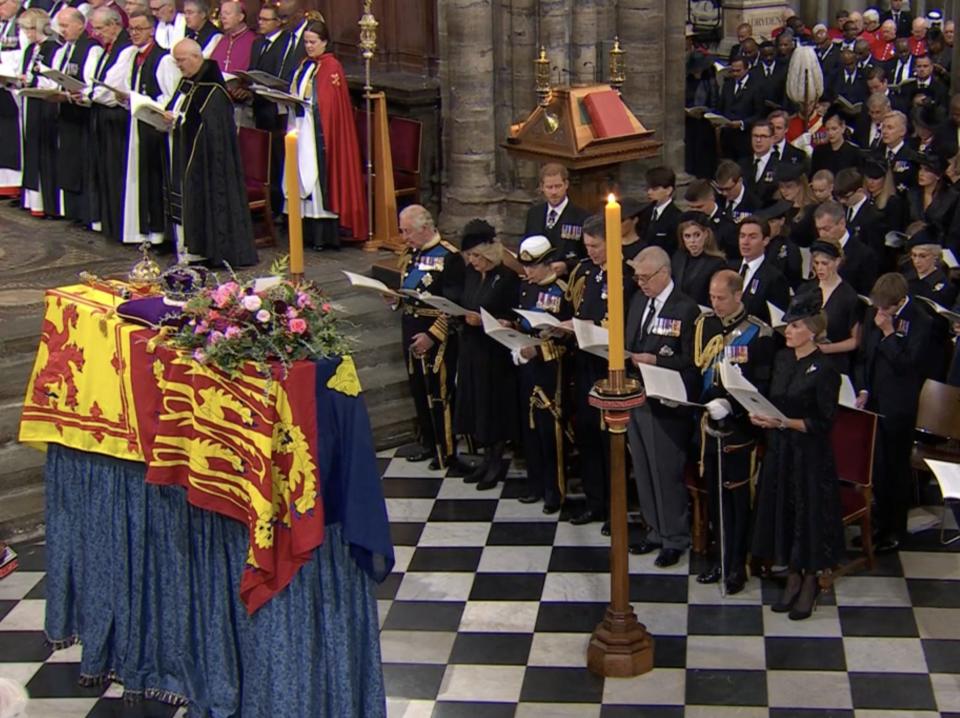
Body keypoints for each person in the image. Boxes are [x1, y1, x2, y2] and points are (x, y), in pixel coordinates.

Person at [751, 292, 844, 620]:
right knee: (785, 514)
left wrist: (783, 422)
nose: (787, 331)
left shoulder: (825, 369)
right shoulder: (783, 359)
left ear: (812, 331)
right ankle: (791, 574)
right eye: (787, 325)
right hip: (781, 451)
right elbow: (773, 398)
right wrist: (761, 414)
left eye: (794, 326)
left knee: (808, 518)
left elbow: (823, 422)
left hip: (809, 457)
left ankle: (809, 581)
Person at [694, 269, 774, 593]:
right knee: (715, 498)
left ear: (738, 295)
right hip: (708, 426)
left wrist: (733, 406)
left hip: (740, 428)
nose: (715, 304)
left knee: (737, 500)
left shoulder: (758, 333)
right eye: (712, 298)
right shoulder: (706, 324)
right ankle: (719, 559)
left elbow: (762, 384)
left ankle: (737, 565)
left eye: (721, 298)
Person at [625, 246, 701, 567]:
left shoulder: (686, 309)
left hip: (667, 401)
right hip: (637, 393)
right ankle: (654, 528)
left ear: (664, 273)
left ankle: (675, 536)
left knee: (665, 470)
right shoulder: (639, 300)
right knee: (642, 466)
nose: (640, 283)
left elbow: (693, 361)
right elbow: (631, 341)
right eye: (637, 277)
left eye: (645, 277)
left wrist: (655, 359)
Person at [855, 273, 932, 554]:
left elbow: (908, 365)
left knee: (895, 469)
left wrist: (889, 333)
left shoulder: (921, 321)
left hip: (899, 405)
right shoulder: (873, 313)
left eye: (885, 308)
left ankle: (894, 528)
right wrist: (862, 388)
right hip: (873, 399)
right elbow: (863, 356)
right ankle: (874, 524)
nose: (879, 313)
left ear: (899, 302)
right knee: (875, 467)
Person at [565, 214, 634, 527]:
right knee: (588, 434)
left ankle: (614, 505)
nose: (591, 252)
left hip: (611, 368)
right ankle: (594, 501)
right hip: (585, 363)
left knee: (610, 439)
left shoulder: (627, 277)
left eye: (596, 246)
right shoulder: (589, 273)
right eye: (587, 246)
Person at [165, 38, 256, 266]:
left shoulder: (213, 91)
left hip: (206, 162)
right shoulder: (189, 82)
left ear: (197, 57)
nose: (179, 66)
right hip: (182, 150)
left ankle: (206, 248)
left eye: (181, 60)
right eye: (176, 61)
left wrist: (178, 122)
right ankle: (187, 246)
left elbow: (211, 129)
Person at [284, 19, 366, 246]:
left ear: (325, 42)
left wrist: (308, 105)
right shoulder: (305, 64)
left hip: (318, 132)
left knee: (317, 176)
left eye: (313, 42)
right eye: (306, 42)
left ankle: (324, 234)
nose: (309, 46)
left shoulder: (331, 67)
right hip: (300, 128)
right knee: (300, 175)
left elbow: (330, 105)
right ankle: (305, 230)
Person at [396, 204, 465, 469]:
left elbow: (453, 306)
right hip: (410, 327)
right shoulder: (411, 254)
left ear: (425, 228)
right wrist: (394, 298)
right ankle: (428, 442)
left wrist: (432, 335)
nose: (404, 237)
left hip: (436, 334)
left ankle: (446, 449)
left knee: (440, 392)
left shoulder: (450, 257)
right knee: (418, 388)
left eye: (408, 231)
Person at [454, 219, 520, 491]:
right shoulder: (471, 274)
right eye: (469, 256)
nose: (472, 261)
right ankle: (483, 459)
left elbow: (512, 315)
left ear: (489, 255)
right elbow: (464, 302)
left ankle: (495, 461)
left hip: (494, 353)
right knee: (475, 405)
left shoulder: (506, 278)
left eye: (476, 256)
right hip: (471, 348)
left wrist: (487, 321)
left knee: (492, 407)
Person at [513, 234, 572, 513]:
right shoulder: (525, 288)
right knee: (530, 427)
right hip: (526, 365)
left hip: (552, 370)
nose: (528, 272)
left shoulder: (562, 292)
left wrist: (541, 350)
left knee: (550, 430)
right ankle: (534, 483)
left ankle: (555, 490)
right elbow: (521, 322)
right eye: (525, 267)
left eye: (533, 267)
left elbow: (569, 339)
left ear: (547, 263)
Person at [119, 8, 178, 246]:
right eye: (131, 29)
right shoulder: (134, 56)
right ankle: (143, 230)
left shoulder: (164, 59)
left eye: (139, 29)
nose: (134, 33)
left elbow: (171, 94)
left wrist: (151, 105)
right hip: (137, 123)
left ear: (152, 30)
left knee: (154, 178)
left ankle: (158, 232)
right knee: (140, 176)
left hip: (155, 127)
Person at [50, 7, 102, 227]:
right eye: (60, 27)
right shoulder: (64, 50)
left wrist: (74, 94)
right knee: (69, 162)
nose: (62, 31)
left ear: (81, 25)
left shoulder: (92, 49)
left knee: (83, 164)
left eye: (66, 26)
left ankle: (86, 212)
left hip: (84, 115)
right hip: (66, 113)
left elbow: (91, 83)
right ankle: (72, 210)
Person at [87, 6, 134, 242]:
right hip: (103, 115)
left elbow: (111, 88)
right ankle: (107, 220)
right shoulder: (108, 48)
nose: (96, 33)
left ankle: (118, 224)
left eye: (99, 28)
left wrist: (89, 94)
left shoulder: (125, 49)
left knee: (116, 171)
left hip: (116, 119)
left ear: (115, 24)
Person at [17, 8, 60, 218]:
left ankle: (47, 202)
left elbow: (53, 78)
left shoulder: (52, 48)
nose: (27, 33)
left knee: (44, 151)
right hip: (30, 103)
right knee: (31, 147)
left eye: (29, 29)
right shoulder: (30, 49)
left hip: (45, 105)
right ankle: (32, 199)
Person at [799, 240, 863, 375]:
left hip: (831, 362)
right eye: (816, 263)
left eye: (825, 263)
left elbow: (855, 340)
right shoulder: (807, 288)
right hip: (802, 355)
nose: (820, 268)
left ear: (837, 262)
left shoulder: (848, 296)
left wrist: (826, 349)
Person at [248, 3, 288, 218]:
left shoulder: (284, 45)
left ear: (278, 22)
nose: (260, 23)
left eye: (265, 20)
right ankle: (266, 205)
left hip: (275, 111)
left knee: (276, 159)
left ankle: (277, 206)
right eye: (260, 19)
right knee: (262, 159)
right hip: (258, 108)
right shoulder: (257, 44)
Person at [901, 229, 957, 381]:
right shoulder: (906, 280)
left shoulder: (945, 286)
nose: (917, 261)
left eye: (922, 256)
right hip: (906, 342)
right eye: (914, 256)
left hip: (930, 348)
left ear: (935, 257)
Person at [523, 163, 590, 274]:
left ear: (566, 184)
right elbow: (526, 245)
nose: (554, 192)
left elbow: (589, 257)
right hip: (538, 280)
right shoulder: (534, 214)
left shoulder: (582, 217)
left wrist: (567, 266)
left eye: (558, 186)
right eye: (549, 187)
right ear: (542, 187)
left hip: (567, 281)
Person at [733, 215, 791, 324]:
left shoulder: (774, 278)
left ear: (765, 240)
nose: (745, 242)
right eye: (742, 236)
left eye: (752, 237)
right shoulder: (729, 269)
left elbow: (779, 322)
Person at [814, 200, 878, 296]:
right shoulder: (816, 248)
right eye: (819, 229)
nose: (822, 234)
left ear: (842, 223)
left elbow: (866, 294)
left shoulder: (863, 254)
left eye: (826, 229)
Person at [671, 211, 727, 307]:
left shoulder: (716, 263)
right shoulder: (678, 258)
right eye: (687, 236)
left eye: (697, 235)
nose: (692, 241)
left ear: (706, 234)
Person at [716, 55, 764, 160]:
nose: (735, 74)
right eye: (733, 71)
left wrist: (742, 123)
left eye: (738, 71)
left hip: (745, 137)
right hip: (727, 136)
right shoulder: (727, 85)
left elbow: (759, 114)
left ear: (747, 69)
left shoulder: (756, 87)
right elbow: (721, 107)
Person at [835, 167, 888, 259]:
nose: (842, 201)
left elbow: (875, 253)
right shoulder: (842, 210)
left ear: (859, 191)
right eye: (839, 198)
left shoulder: (873, 216)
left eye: (846, 197)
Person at [0, 0, 23, 198]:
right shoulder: (6, 24)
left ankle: (13, 185)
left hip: (14, 88)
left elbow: (23, 55)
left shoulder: (22, 24)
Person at [684, 178, 738, 260]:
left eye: (699, 207)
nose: (695, 211)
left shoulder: (727, 225)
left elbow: (734, 258)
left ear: (712, 199)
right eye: (691, 207)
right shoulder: (685, 221)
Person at [757, 200, 804, 289]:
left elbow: (795, 279)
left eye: (772, 222)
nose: (767, 226)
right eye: (764, 222)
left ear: (782, 221)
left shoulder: (790, 248)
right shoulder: (757, 244)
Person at [637, 165, 681, 254]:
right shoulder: (644, 212)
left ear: (668, 190)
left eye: (655, 189)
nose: (649, 192)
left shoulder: (677, 217)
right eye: (648, 188)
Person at [811, 107, 862, 176]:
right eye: (827, 129)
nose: (830, 133)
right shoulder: (819, 151)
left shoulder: (854, 153)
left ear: (843, 127)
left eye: (834, 129)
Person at [741, 120, 779, 204]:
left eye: (763, 136)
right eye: (755, 136)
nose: (758, 140)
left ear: (772, 139)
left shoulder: (779, 166)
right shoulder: (741, 164)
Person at [210, 1, 253, 75]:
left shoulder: (253, 41)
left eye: (227, 13)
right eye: (221, 14)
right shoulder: (222, 40)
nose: (223, 17)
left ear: (240, 17)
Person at [715, 159, 759, 226]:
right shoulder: (716, 200)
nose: (724, 193)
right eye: (721, 189)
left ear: (740, 181)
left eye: (728, 189)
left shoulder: (754, 204)